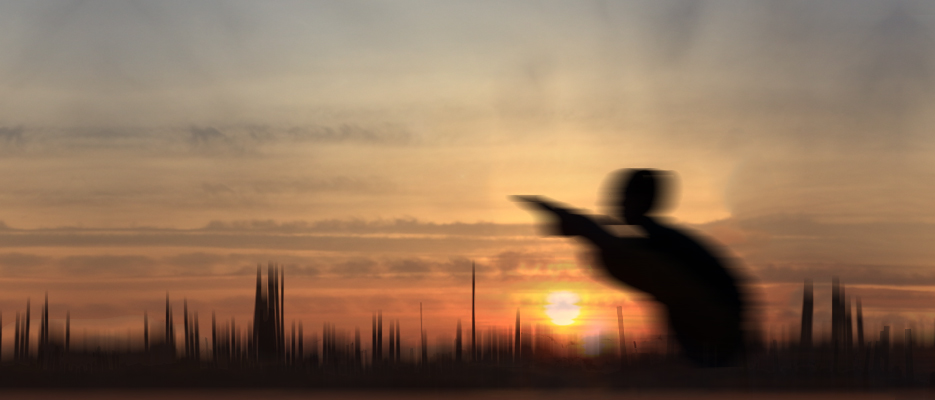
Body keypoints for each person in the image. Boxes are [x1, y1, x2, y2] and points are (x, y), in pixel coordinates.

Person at [514, 169, 746, 367]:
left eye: (624, 197)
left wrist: (573, 221)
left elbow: (613, 244)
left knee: (613, 251)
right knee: (612, 250)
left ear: (642, 200)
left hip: (717, 328)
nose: (618, 203)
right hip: (715, 331)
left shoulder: (662, 244)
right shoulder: (659, 238)